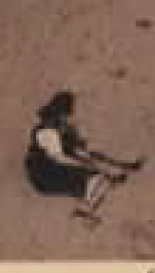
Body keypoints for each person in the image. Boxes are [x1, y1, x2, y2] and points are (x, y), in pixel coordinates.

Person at [25, 91, 145, 223]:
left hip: (57, 162)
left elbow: (75, 149)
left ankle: (119, 169)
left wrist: (87, 157)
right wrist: (84, 164)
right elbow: (60, 158)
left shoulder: (61, 127)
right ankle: (87, 209)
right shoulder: (47, 133)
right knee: (92, 177)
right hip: (45, 173)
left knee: (93, 160)